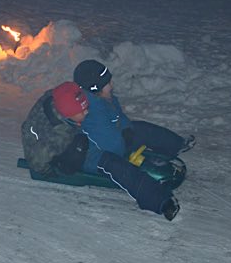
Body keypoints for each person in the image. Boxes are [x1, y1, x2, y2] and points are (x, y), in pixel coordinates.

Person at [21, 81, 180, 221]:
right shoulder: (56, 138)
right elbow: (36, 158)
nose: (86, 112)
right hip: (73, 150)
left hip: (78, 131)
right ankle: (161, 201)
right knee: (112, 164)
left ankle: (173, 145)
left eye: (86, 109)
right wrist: (47, 170)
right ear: (68, 115)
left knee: (133, 131)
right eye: (82, 112)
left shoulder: (66, 96)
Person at [72, 59, 195, 176]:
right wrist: (125, 146)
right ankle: (150, 166)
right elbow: (108, 142)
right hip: (106, 153)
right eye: (108, 83)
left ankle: (176, 145)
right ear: (95, 88)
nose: (112, 85)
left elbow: (119, 116)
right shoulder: (93, 112)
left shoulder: (106, 98)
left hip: (117, 138)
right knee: (134, 145)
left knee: (142, 128)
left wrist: (127, 129)